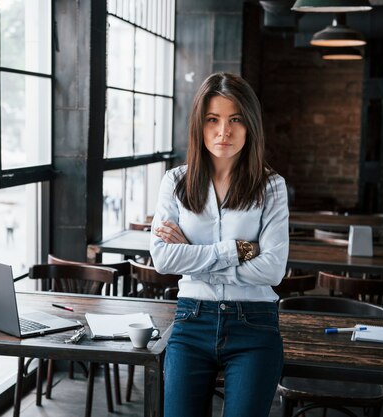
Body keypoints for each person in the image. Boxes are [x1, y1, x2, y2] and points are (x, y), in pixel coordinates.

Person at [150, 72, 289, 417]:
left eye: (235, 120)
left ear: (250, 125)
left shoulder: (271, 186)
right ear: (199, 124)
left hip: (255, 324)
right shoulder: (176, 182)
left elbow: (272, 269)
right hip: (191, 319)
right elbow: (163, 259)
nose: (223, 131)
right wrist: (236, 250)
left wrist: (194, 260)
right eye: (213, 120)